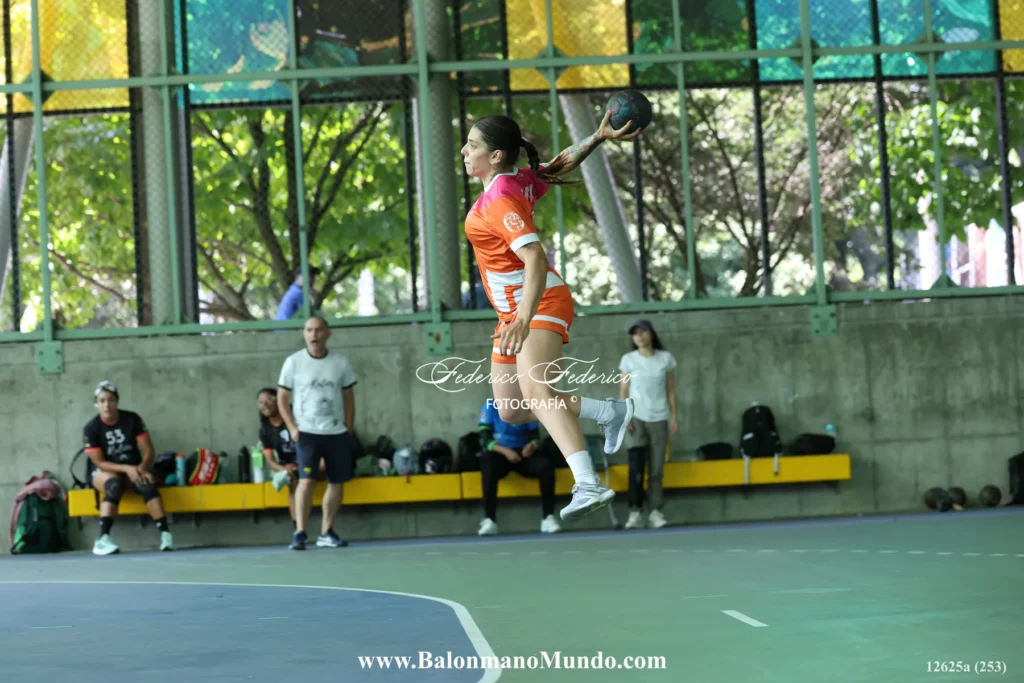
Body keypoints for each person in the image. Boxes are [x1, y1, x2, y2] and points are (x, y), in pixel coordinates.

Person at [460, 109, 640, 523]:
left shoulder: (500, 200)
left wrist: (523, 318)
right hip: (513, 312)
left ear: (496, 155)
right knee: (511, 410)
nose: (464, 152)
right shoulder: (515, 181)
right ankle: (608, 412)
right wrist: (596, 137)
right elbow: (556, 166)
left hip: (538, 303)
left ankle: (587, 483)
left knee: (539, 393)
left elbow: (535, 256)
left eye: (472, 145)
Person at [277, 315, 359, 550]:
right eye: (309, 330)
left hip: (336, 432)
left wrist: (348, 426)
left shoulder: (340, 362)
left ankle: (326, 532)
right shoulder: (293, 362)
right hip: (307, 433)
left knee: (336, 482)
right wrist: (292, 428)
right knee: (306, 481)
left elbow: (348, 395)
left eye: (318, 330)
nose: (314, 334)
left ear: (327, 334)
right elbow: (282, 397)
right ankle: (300, 532)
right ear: (304, 334)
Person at [82, 381, 174, 555]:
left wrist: (142, 468)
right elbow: (100, 463)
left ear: (117, 401)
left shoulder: (132, 419)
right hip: (104, 471)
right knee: (114, 485)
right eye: (102, 401)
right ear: (96, 404)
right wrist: (128, 469)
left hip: (134, 468)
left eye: (111, 400)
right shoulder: (91, 428)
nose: (107, 405)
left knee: (147, 483)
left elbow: (148, 450)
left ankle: (165, 535)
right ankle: (102, 539)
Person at [618, 319, 678, 529]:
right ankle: (635, 511)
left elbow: (671, 391)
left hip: (659, 418)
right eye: (635, 334)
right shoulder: (628, 360)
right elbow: (624, 391)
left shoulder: (665, 359)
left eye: (643, 332)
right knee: (636, 466)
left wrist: (674, 417)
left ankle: (655, 511)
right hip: (636, 417)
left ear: (651, 333)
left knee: (656, 469)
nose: (640, 337)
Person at [477, 399, 561, 536]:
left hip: (523, 455)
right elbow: (484, 439)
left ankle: (548, 517)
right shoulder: (490, 406)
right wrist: (506, 452)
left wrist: (532, 445)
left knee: (545, 465)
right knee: (488, 463)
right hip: (500, 454)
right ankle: (489, 520)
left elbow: (535, 436)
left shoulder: (527, 405)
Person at [257, 387, 300, 523]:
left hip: (308, 461)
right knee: (292, 480)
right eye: (261, 402)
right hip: (289, 467)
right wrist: (284, 470)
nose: (265, 404)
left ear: (280, 401)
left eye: (269, 399)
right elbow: (271, 461)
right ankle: (298, 528)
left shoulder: (296, 415)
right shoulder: (265, 430)